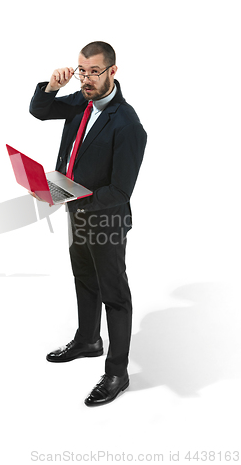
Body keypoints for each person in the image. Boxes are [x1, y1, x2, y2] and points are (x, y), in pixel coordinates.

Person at [29, 41, 147, 406]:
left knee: (114, 294)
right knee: (83, 276)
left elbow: (119, 191)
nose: (86, 78)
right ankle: (88, 340)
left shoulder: (128, 125)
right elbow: (40, 111)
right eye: (82, 70)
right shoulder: (81, 100)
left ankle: (117, 373)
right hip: (77, 211)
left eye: (94, 71)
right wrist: (52, 86)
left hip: (106, 218)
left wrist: (67, 197)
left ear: (113, 71)